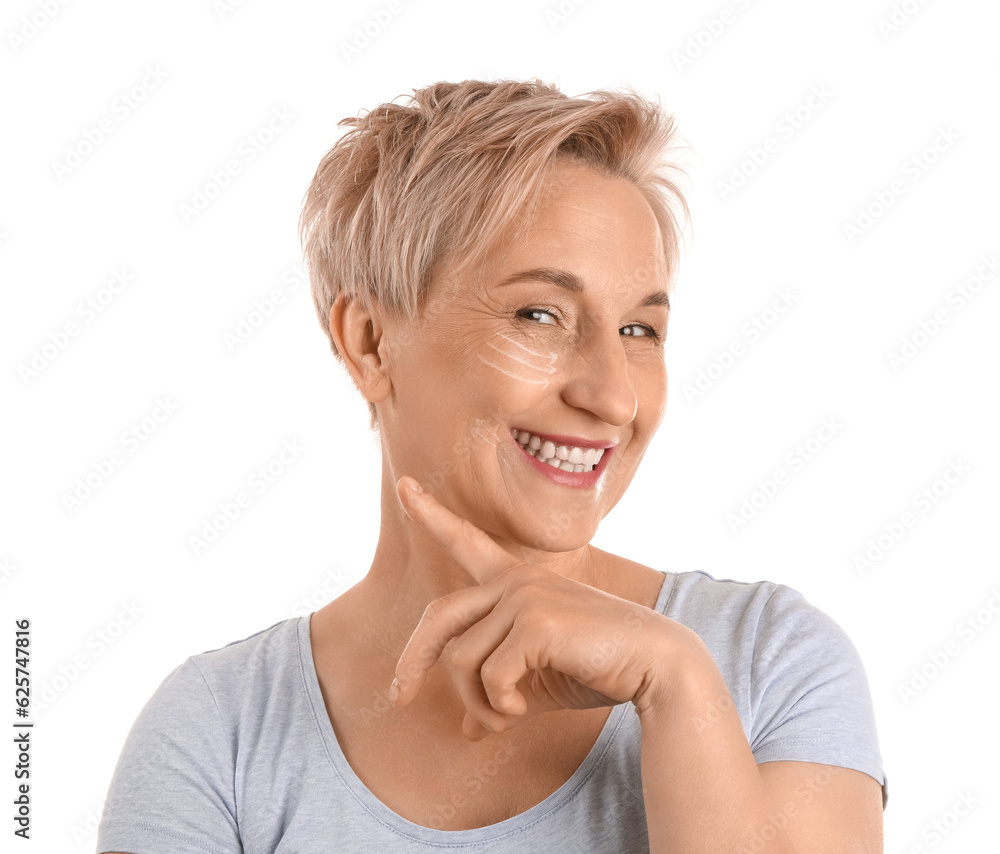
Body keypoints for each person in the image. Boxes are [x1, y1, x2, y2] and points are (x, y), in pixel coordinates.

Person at [97, 78, 886, 853]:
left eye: (640, 330)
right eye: (539, 314)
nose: (613, 396)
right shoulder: (217, 732)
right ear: (370, 342)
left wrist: (674, 685)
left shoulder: (769, 660)